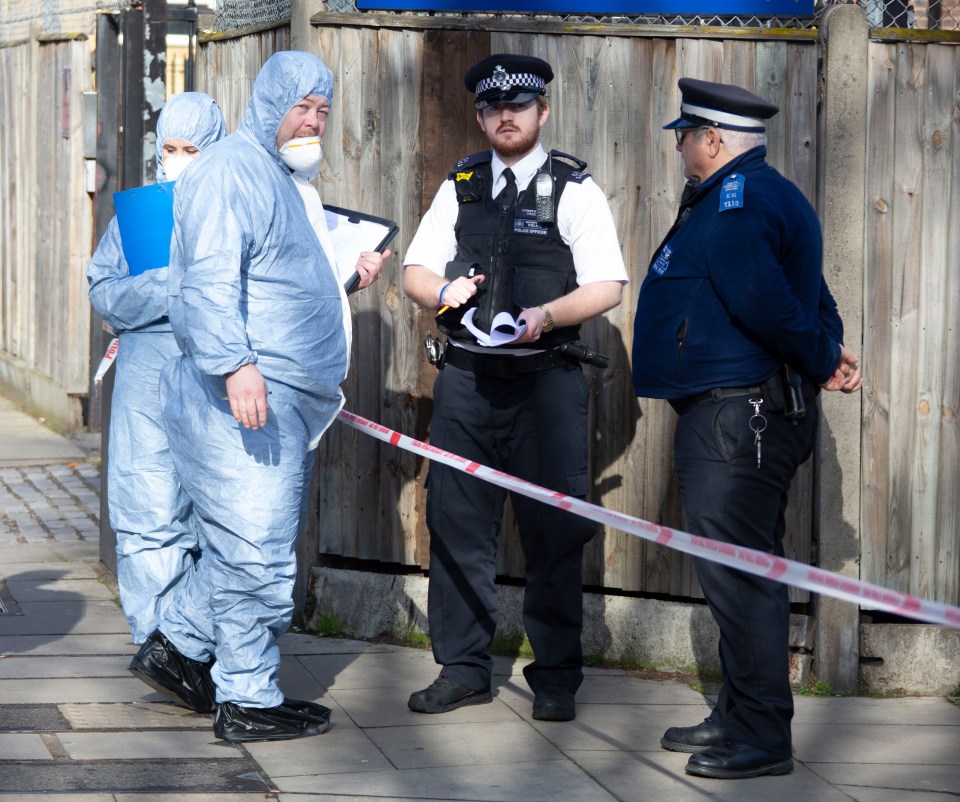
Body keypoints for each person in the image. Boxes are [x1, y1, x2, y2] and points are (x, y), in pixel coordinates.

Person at [127, 50, 385, 743]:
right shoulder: (229, 170)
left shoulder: (279, 178)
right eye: (301, 106)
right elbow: (206, 281)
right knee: (257, 556)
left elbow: (279, 281)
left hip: (275, 400)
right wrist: (236, 364)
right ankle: (247, 697)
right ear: (268, 102)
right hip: (242, 398)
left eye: (323, 110)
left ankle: (178, 646)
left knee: (245, 546)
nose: (313, 121)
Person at [631, 77, 862, 779]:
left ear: (712, 140)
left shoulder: (737, 200)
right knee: (735, 571)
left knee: (744, 577)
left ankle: (762, 736)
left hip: (741, 416)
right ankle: (739, 713)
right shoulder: (752, 197)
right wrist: (827, 346)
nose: (679, 149)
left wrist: (822, 355)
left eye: (685, 137)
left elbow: (764, 299)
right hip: (734, 414)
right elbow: (806, 291)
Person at [402, 54, 627, 723]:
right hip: (468, 382)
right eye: (494, 108)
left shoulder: (575, 189)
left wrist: (547, 317)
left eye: (519, 106)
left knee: (554, 531)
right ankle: (463, 667)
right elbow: (415, 269)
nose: (506, 116)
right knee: (457, 524)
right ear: (480, 116)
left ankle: (556, 673)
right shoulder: (462, 184)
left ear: (542, 112)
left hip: (545, 385)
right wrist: (443, 292)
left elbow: (608, 285)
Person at [87, 92, 226, 657]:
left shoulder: (232, 210)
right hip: (146, 376)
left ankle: (198, 647)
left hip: (215, 375)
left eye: (190, 148)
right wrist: (170, 283)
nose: (177, 158)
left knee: (213, 514)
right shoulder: (137, 217)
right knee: (146, 511)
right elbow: (105, 292)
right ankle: (155, 646)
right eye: (169, 148)